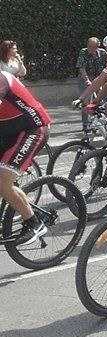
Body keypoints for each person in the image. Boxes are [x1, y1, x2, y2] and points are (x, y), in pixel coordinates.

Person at [0, 70, 51, 244]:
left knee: (2, 181)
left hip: (32, 129)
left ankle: (34, 223)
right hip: (9, 131)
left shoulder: (1, 80)